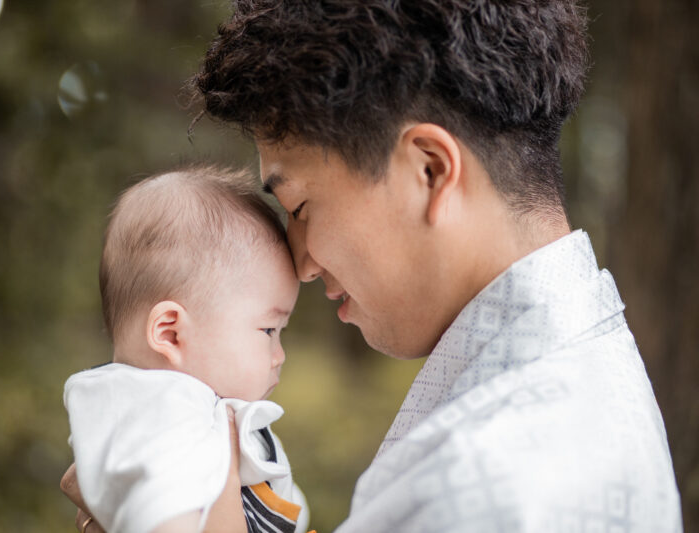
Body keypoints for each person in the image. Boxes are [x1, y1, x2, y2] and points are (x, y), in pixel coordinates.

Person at [186, 0, 683, 531]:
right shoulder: (579, 385)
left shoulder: (479, 488)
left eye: (301, 208)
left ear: (429, 169)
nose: (302, 264)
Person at [62, 165, 310, 533]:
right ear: (171, 333)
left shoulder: (202, 410)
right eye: (269, 329)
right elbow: (162, 512)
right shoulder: (159, 408)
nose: (280, 355)